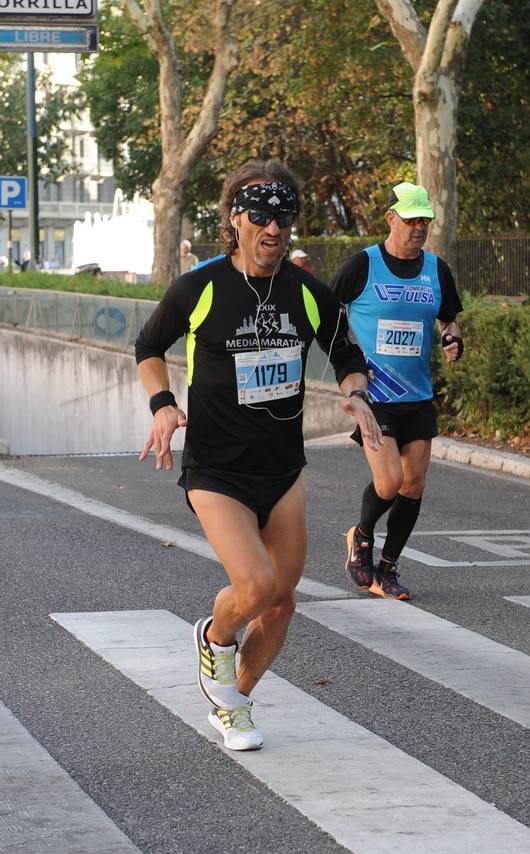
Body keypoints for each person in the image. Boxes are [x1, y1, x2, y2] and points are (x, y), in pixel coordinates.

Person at [135, 160, 381, 751]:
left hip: (282, 470)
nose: (274, 227)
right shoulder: (200, 286)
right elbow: (148, 345)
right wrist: (163, 403)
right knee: (254, 586)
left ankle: (234, 703)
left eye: (285, 215)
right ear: (235, 221)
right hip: (217, 469)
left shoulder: (305, 292)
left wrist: (353, 391)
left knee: (282, 602)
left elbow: (345, 352)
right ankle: (215, 637)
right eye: (261, 215)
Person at [332, 182, 463, 601]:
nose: (419, 228)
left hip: (418, 396)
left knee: (414, 485)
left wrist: (452, 338)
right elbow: (325, 312)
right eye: (411, 220)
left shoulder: (436, 270)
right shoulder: (364, 265)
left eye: (424, 220)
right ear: (391, 219)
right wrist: (348, 359)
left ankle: (388, 570)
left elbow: (450, 319)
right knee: (389, 482)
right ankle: (362, 537)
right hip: (376, 398)